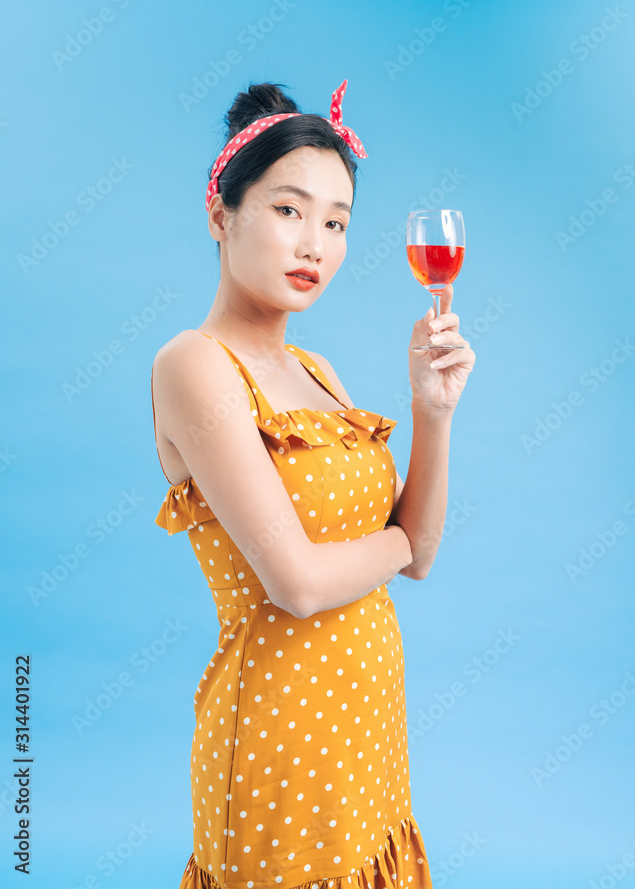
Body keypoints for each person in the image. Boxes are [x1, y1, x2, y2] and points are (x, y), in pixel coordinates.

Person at [150, 78, 476, 889]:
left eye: (336, 222)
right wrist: (398, 544)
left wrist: (430, 410)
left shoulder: (313, 370)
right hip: (280, 747)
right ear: (221, 214)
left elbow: (423, 554)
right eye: (289, 211)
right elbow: (295, 583)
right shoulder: (194, 364)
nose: (315, 245)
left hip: (364, 736)